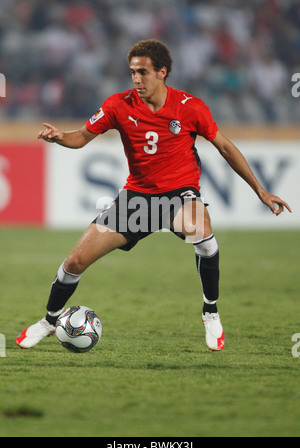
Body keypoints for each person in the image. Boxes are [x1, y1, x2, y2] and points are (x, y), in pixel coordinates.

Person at [16, 39, 291, 352]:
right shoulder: (118, 104)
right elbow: (80, 137)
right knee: (76, 261)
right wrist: (59, 137)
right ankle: (50, 321)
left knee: (202, 230)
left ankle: (210, 312)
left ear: (162, 72)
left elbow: (226, 147)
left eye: (143, 72)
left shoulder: (190, 107)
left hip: (179, 195)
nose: (136, 79)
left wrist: (261, 190)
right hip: (137, 200)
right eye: (132, 72)